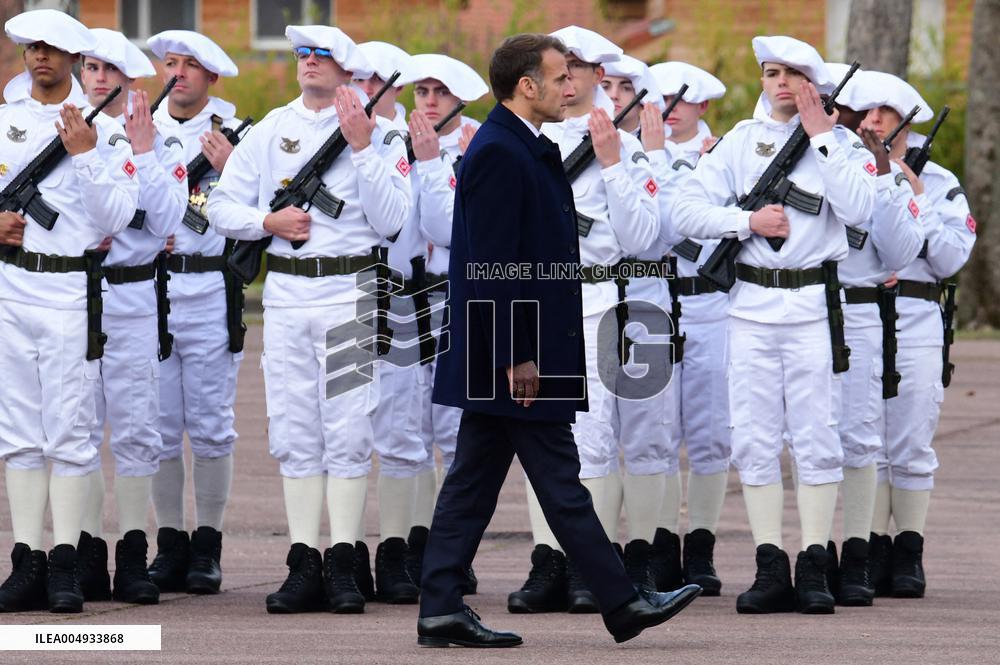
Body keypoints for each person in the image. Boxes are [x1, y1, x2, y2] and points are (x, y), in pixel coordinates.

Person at [416, 32, 700, 649]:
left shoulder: (522, 145)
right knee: (562, 481)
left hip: (527, 346)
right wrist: (518, 355)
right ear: (528, 86)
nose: (572, 86)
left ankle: (440, 606)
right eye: (560, 77)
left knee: (472, 483)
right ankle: (622, 602)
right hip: (517, 354)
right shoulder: (500, 150)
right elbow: (490, 264)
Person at [206, 24, 411, 615]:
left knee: (348, 427)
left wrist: (364, 146)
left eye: (323, 55)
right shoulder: (272, 128)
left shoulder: (383, 134)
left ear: (346, 67)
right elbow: (221, 205)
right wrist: (266, 225)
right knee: (295, 431)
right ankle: (303, 560)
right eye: (302, 54)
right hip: (290, 296)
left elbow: (393, 219)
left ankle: (344, 561)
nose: (310, 62)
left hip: (351, 291)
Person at [671, 35, 877, 614]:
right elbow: (684, 210)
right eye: (769, 72)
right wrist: (746, 221)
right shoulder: (739, 142)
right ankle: (769, 563)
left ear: (813, 83)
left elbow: (861, 211)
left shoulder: (841, 146)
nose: (779, 82)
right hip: (751, 308)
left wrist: (822, 138)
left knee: (815, 436)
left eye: (791, 72)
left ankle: (814, 562)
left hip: (812, 306)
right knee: (755, 438)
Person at [507, 25, 661, 615]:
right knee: (538, 435)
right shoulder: (524, 139)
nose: (567, 81)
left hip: (596, 300)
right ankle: (548, 559)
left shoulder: (625, 145)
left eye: (579, 69)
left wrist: (613, 164)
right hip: (535, 299)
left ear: (602, 77)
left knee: (593, 442)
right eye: (559, 69)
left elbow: (644, 238)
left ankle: (587, 566)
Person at [0, 9, 139, 613]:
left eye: (55, 48)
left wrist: (83, 154)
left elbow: (118, 217)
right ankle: (26, 560)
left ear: (76, 58)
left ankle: (65, 563)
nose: (42, 56)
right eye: (33, 47)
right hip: (12, 289)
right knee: (20, 435)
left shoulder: (104, 131)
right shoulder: (4, 120)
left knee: (72, 432)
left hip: (68, 292)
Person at [75, 28, 187, 605]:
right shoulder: (70, 135)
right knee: (81, 428)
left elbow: (169, 215)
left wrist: (144, 152)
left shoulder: (161, 140)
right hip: (80, 294)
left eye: (109, 70)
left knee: (139, 428)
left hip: (137, 294)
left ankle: (133, 556)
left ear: (130, 80)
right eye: (90, 66)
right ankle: (87, 554)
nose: (97, 77)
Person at [861, 73, 976, 599]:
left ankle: (907, 549)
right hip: (860, 312)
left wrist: (919, 197)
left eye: (885, 112)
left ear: (906, 121)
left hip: (915, 310)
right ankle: (867, 549)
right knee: (863, 440)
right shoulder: (849, 171)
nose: (873, 121)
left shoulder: (942, 180)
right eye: (866, 111)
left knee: (909, 438)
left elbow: (951, 257)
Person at [818, 65, 929, 606]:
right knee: (800, 440)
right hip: (796, 305)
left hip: (858, 311)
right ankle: (805, 557)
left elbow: (902, 252)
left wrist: (889, 182)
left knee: (861, 436)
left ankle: (857, 555)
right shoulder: (800, 154)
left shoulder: (877, 166)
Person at [145, 29, 243, 596]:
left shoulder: (240, 136)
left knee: (209, 426)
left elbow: (264, 212)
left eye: (189, 66)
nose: (176, 74)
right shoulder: (137, 131)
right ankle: (168, 544)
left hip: (208, 290)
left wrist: (231, 167)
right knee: (157, 427)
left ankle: (207, 545)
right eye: (170, 63)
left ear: (211, 78)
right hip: (149, 290)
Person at [648, 60, 730, 596]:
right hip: (650, 299)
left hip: (707, 303)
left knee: (709, 434)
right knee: (653, 435)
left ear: (702, 106)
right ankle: (654, 547)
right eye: (661, 101)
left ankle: (699, 547)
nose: (669, 111)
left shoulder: (724, 155)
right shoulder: (630, 153)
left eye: (680, 101)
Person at [598, 54, 680, 594]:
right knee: (591, 438)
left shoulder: (661, 158)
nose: (613, 95)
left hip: (646, 301)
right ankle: (587, 559)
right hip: (588, 293)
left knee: (650, 435)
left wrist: (653, 159)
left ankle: (648, 554)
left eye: (626, 87)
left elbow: (659, 234)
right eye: (606, 84)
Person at [355, 38, 425, 605]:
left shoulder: (401, 138)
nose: (365, 86)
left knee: (401, 431)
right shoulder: (324, 130)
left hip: (399, 297)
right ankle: (344, 552)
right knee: (343, 433)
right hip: (345, 296)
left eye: (376, 78)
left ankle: (397, 553)